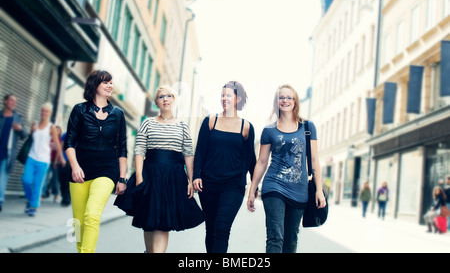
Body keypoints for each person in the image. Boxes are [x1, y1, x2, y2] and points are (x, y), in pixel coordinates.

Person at [115, 85, 205, 253]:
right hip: (150, 175)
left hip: (173, 177)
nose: (165, 99)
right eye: (161, 96)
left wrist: (190, 180)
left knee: (164, 221)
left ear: (174, 100)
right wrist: (140, 177)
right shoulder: (147, 123)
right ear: (156, 102)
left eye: (169, 96)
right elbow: (139, 150)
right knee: (149, 219)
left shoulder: (182, 126)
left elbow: (188, 154)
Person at [247, 84, 326, 253]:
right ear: (276, 102)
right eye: (281, 97)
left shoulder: (307, 127)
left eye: (289, 97)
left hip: (299, 191)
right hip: (274, 186)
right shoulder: (269, 130)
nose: (285, 100)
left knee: (291, 241)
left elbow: (314, 160)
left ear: (295, 102)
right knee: (275, 237)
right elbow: (262, 162)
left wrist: (319, 190)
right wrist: (252, 189)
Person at [64, 70, 128, 253]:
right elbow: (69, 142)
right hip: (80, 170)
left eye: (111, 82)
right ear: (95, 85)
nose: (110, 86)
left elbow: (123, 147)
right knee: (78, 221)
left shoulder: (118, 114)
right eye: (105, 82)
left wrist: (122, 178)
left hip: (107, 170)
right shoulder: (79, 110)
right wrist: (74, 166)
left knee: (92, 214)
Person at [193, 81, 256, 253]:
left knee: (222, 229)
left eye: (228, 95)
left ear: (238, 98)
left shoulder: (246, 127)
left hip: (233, 186)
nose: (224, 98)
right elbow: (199, 151)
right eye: (222, 95)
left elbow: (252, 160)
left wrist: (254, 187)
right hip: (208, 183)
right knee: (211, 228)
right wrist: (195, 176)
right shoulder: (210, 121)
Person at [22, 103, 66, 216]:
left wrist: (61, 158)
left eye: (46, 111)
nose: (44, 113)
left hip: (43, 160)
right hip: (31, 157)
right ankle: (29, 199)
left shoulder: (51, 127)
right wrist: (32, 131)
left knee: (37, 184)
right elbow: (31, 139)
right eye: (42, 110)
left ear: (49, 113)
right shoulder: (35, 124)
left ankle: (33, 206)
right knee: (26, 180)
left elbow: (57, 143)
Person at [0, 94, 27, 212]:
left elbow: (24, 135)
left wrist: (20, 129)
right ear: (5, 101)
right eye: (11, 100)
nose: (13, 103)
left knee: (2, 179)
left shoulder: (17, 117)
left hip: (7, 154)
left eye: (14, 101)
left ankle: (0, 201)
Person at [42, 125, 63, 202]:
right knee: (45, 178)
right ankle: (42, 194)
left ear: (60, 132)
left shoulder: (60, 140)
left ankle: (56, 194)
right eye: (55, 130)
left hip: (55, 162)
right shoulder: (49, 139)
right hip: (47, 161)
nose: (56, 131)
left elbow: (58, 151)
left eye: (58, 130)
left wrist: (55, 161)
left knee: (55, 179)